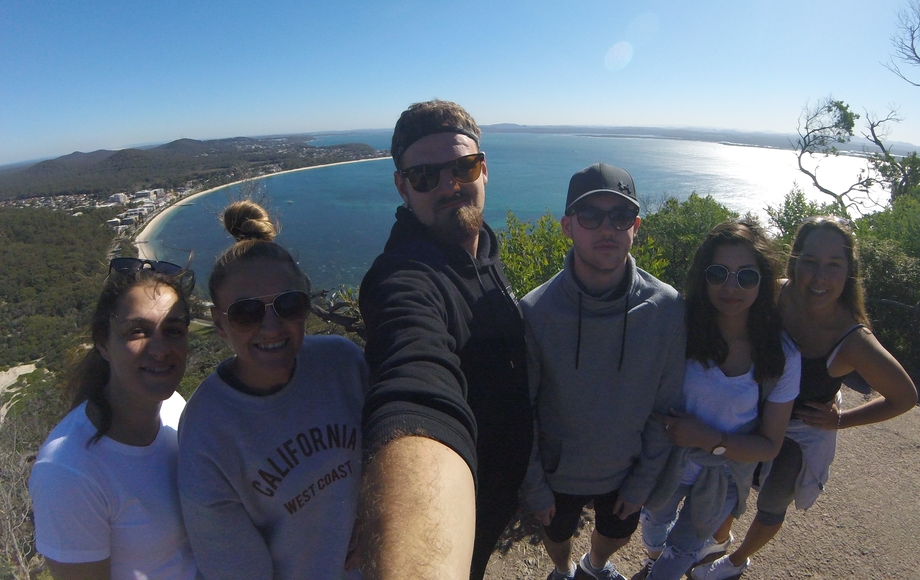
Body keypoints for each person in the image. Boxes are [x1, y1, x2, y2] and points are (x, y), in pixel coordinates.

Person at [358, 100, 533, 580]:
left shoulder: (484, 248)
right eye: (424, 176)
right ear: (402, 186)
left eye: (463, 167)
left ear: (484, 169)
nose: (449, 185)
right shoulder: (401, 279)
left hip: (502, 490)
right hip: (459, 502)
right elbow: (414, 385)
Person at [692, 216, 917, 580]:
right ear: (793, 260)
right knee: (733, 481)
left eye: (833, 265)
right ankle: (718, 539)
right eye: (810, 261)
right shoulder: (777, 295)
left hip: (799, 433)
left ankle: (735, 561)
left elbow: (904, 396)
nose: (818, 277)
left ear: (849, 272)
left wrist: (840, 420)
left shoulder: (852, 339)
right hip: (757, 412)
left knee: (772, 501)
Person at [177, 200, 367, 580]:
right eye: (246, 312)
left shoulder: (343, 365)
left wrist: (380, 512)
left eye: (289, 304)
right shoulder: (207, 431)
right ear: (219, 323)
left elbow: (393, 445)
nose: (271, 327)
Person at [521, 163, 686, 580]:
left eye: (621, 216)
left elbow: (666, 407)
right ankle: (563, 571)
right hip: (558, 473)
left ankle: (593, 567)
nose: (607, 229)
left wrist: (642, 482)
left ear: (636, 227)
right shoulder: (536, 312)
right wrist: (535, 486)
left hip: (626, 469)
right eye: (590, 216)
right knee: (556, 535)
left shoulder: (665, 308)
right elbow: (522, 412)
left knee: (615, 534)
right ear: (567, 227)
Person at [636, 221, 800, 580]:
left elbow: (770, 445)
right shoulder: (679, 330)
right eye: (718, 273)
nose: (731, 287)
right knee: (654, 522)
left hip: (724, 473)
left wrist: (710, 439)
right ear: (703, 276)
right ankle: (652, 557)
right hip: (667, 463)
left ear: (764, 281)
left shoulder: (780, 356)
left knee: (681, 552)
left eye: (747, 276)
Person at [29, 258, 199, 580]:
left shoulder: (175, 409)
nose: (161, 349)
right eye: (138, 331)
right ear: (103, 344)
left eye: (173, 330)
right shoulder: (68, 470)